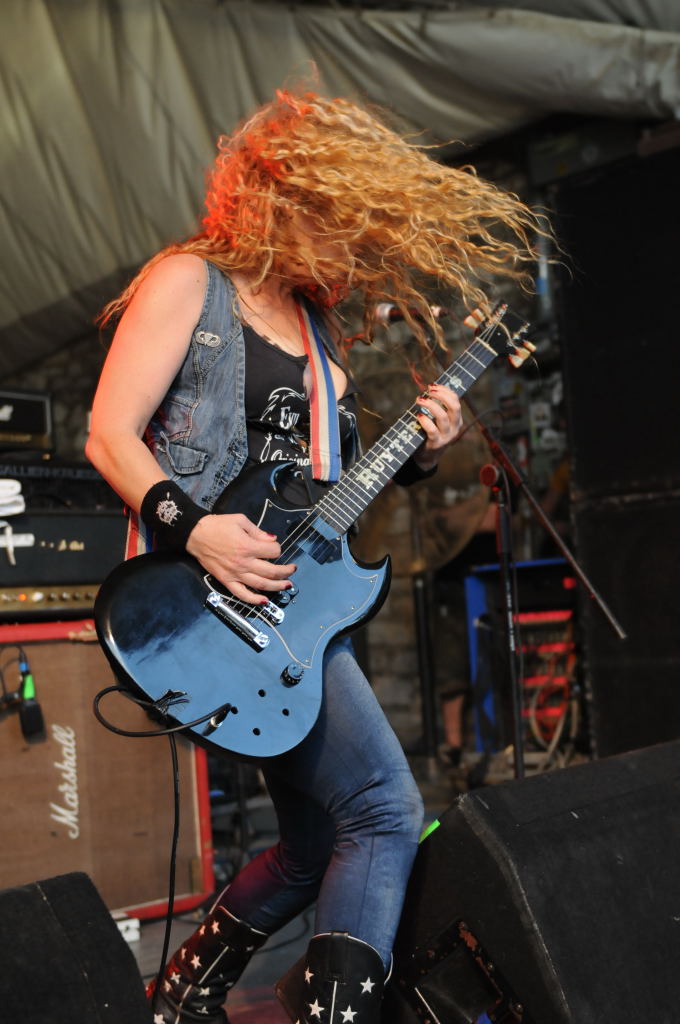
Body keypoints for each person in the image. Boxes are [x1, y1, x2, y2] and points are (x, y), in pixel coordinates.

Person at [86, 88, 540, 1024]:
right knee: (382, 807)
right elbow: (108, 435)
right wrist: (195, 528)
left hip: (297, 611)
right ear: (279, 200)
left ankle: (181, 998)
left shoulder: (316, 331)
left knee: (311, 847)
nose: (349, 248)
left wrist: (423, 454)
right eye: (337, 222)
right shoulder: (190, 283)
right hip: (206, 603)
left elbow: (322, 501)